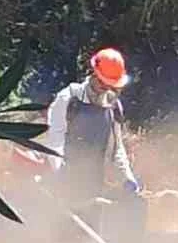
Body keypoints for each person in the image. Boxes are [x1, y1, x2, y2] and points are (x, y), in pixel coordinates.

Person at [44, 48, 142, 224]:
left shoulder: (113, 106)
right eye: (104, 83)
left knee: (89, 237)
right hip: (65, 179)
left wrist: (127, 177)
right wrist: (59, 173)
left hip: (94, 183)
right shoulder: (68, 99)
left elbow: (116, 148)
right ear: (93, 75)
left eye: (111, 85)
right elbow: (54, 140)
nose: (106, 89)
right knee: (61, 236)